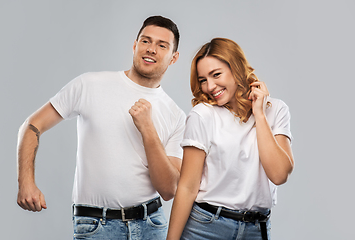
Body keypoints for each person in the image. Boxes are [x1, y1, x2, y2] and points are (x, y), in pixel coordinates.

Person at [17, 15, 186, 239]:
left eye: (161, 45)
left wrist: (148, 129)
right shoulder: (90, 84)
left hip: (151, 225)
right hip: (96, 226)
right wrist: (26, 182)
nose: (151, 49)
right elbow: (32, 125)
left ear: (173, 58)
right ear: (135, 45)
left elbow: (168, 190)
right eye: (146, 41)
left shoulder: (176, 115)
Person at [166, 38, 294, 240]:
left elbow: (279, 174)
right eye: (203, 80)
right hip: (206, 228)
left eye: (216, 75)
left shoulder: (276, 110)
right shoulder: (203, 115)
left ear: (236, 68)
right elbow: (187, 187)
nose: (210, 86)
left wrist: (259, 115)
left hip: (256, 229)